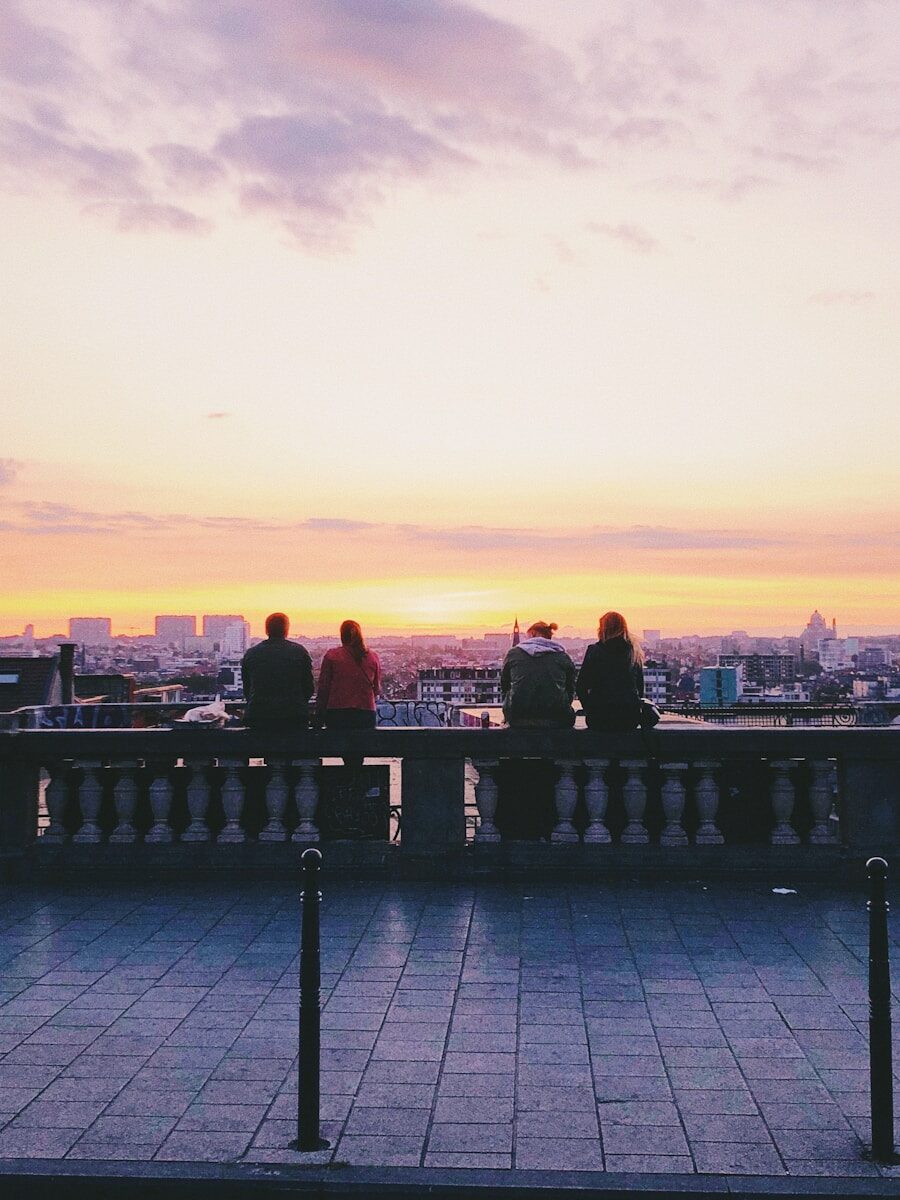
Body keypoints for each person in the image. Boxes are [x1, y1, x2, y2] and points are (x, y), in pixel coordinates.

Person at [241, 612, 314, 731]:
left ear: (267, 630)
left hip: (259, 716)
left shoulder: (252, 653)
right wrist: (297, 703)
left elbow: (247, 688)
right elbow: (308, 687)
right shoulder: (299, 652)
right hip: (294, 716)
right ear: (286, 630)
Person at [576, 611, 644, 731]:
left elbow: (581, 685)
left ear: (603, 629)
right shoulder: (633, 652)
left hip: (600, 716)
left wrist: (589, 708)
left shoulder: (595, 651)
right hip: (629, 717)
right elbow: (639, 687)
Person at [501, 621, 576, 728]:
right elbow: (570, 688)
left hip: (518, 717)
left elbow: (505, 684)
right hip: (557, 718)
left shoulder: (513, 654)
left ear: (532, 634)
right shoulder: (562, 657)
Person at [316, 620, 381, 734]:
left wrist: (320, 714)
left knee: (339, 748)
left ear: (342, 635)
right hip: (365, 712)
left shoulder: (332, 655)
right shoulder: (372, 657)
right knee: (360, 749)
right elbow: (376, 689)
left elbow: (324, 688)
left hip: (338, 712)